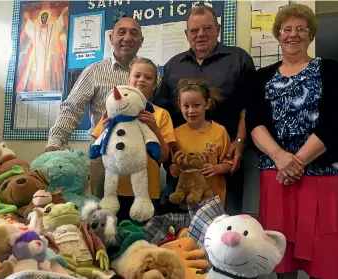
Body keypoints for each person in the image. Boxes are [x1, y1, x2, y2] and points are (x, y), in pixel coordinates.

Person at [246, 4, 338, 279]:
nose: (293, 34)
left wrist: (296, 162)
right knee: (281, 255)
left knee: (324, 255)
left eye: (300, 29)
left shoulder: (330, 70)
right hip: (276, 173)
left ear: (310, 35)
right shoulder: (261, 77)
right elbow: (254, 124)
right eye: (286, 29)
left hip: (319, 173)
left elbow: (333, 123)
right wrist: (282, 159)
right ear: (278, 35)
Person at [152, 4, 255, 214]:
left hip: (226, 159)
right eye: (194, 30)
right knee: (182, 225)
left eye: (207, 28)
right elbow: (162, 111)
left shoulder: (239, 59)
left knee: (226, 226)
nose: (200, 34)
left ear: (217, 29)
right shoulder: (173, 65)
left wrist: (240, 140)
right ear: (186, 34)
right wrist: (168, 154)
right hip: (182, 165)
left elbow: (250, 105)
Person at [45, 17, 145, 199]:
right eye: (121, 32)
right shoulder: (94, 72)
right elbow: (72, 109)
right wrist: (54, 143)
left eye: (134, 33)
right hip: (102, 155)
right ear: (111, 38)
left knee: (138, 212)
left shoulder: (149, 74)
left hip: (140, 157)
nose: (128, 38)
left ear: (141, 41)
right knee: (101, 213)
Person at [92, 58, 175, 222]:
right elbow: (97, 150)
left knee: (144, 241)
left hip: (147, 192)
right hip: (114, 190)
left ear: (155, 84)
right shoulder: (112, 111)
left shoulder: (161, 114)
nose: (141, 80)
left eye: (148, 77)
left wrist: (154, 128)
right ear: (128, 80)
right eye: (137, 75)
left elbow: (164, 157)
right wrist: (104, 127)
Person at [169, 78, 233, 205]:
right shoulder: (176, 133)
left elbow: (229, 163)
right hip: (186, 200)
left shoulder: (220, 131)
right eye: (186, 106)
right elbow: (172, 163)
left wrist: (217, 168)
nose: (191, 111)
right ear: (179, 106)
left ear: (207, 104)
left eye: (196, 105)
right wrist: (173, 168)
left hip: (213, 199)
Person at [20, 7, 69, 92]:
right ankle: (36, 88)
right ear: (40, 18)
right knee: (37, 69)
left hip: (47, 53)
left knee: (47, 69)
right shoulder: (36, 28)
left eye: (46, 17)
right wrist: (28, 18)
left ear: (48, 18)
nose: (44, 18)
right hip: (38, 53)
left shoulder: (51, 28)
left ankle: (46, 88)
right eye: (42, 17)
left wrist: (62, 14)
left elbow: (57, 27)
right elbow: (31, 29)